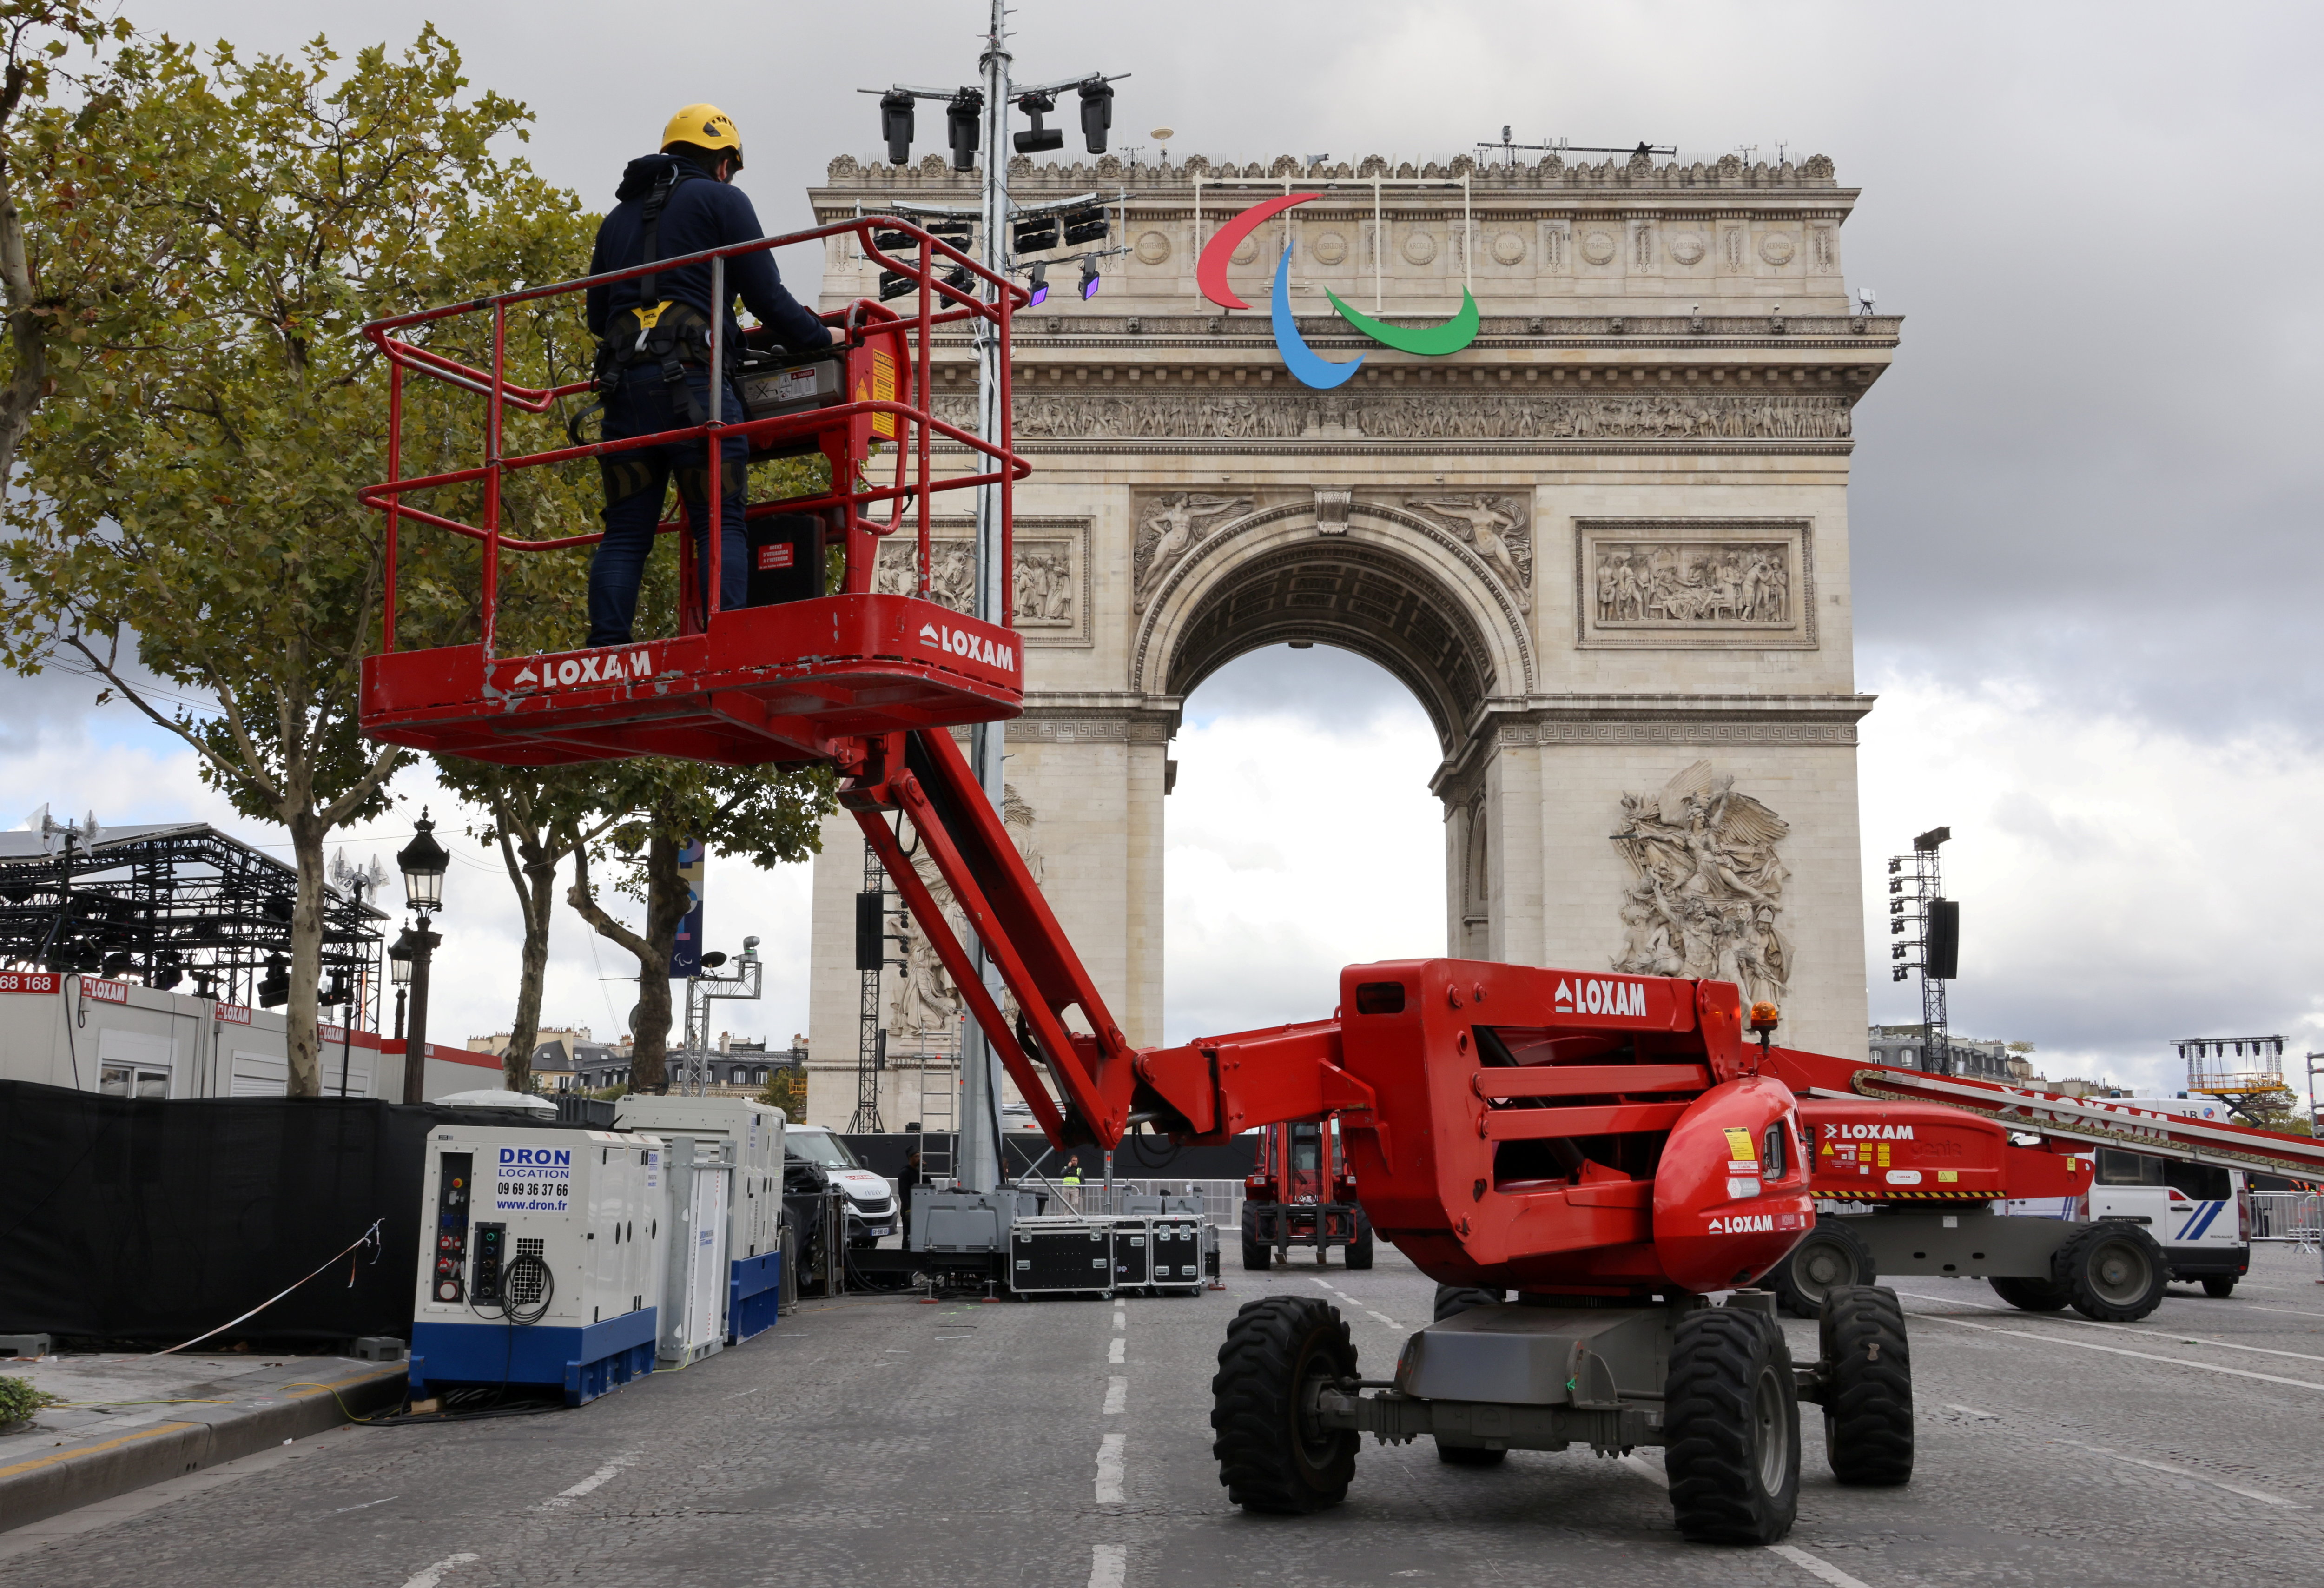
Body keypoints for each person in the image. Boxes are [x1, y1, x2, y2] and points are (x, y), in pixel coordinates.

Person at [582, 105, 838, 648]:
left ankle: (605, 648)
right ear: (723, 162)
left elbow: (595, 317)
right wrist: (824, 339)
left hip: (624, 395)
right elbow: (768, 298)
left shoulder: (616, 220)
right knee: (719, 523)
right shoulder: (723, 200)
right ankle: (725, 644)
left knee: (626, 533)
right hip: (696, 395)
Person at [898, 1141, 923, 1248]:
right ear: (910, 1158)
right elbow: (903, 1192)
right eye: (916, 1156)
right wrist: (908, 1209)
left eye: (919, 1156)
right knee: (908, 1235)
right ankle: (905, 1256)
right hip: (909, 1210)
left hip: (920, 1208)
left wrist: (925, 1172)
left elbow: (928, 1184)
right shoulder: (905, 1173)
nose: (919, 1159)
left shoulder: (919, 1172)